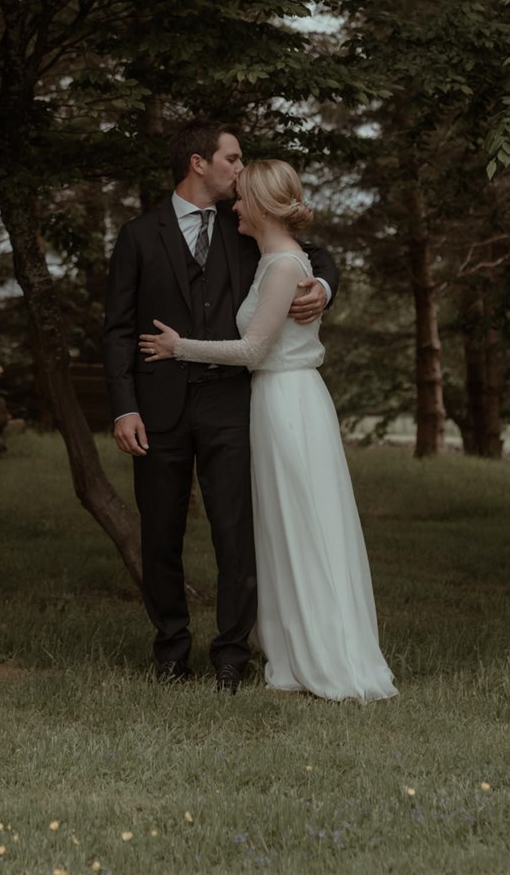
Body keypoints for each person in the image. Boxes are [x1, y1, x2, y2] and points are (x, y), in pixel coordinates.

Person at [140, 159, 396, 703]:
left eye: (242, 198)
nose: (234, 205)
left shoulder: (282, 265)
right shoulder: (270, 259)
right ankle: (291, 646)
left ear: (257, 205)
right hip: (273, 400)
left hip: (289, 402)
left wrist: (178, 346)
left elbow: (254, 349)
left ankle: (324, 653)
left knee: (304, 525)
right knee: (282, 529)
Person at [103, 123, 338, 692]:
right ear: (197, 163)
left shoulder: (244, 226)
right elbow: (115, 330)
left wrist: (324, 286)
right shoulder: (138, 236)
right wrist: (123, 408)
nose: (241, 168)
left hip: (233, 404)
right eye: (232, 158)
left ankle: (232, 653)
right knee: (161, 533)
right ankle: (171, 650)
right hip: (157, 409)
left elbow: (315, 254)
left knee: (237, 533)